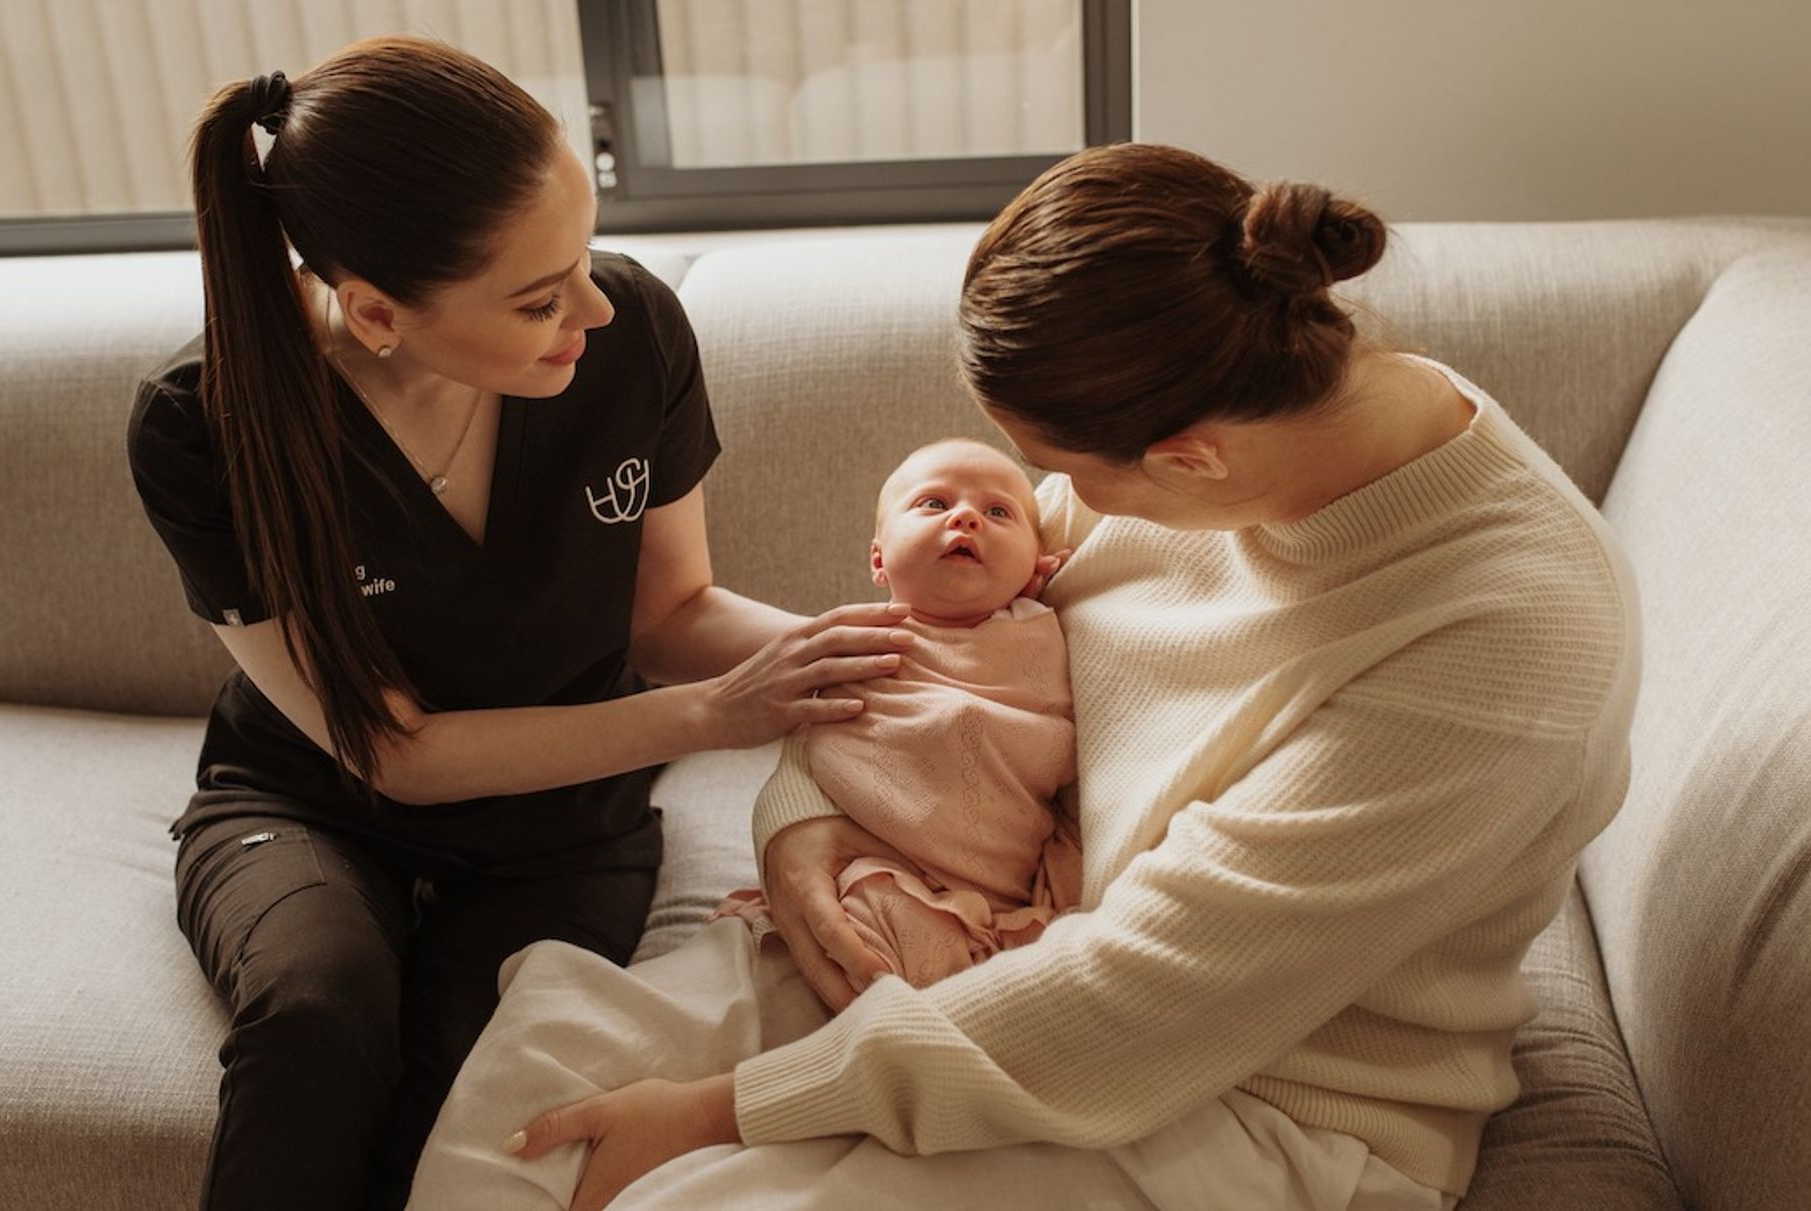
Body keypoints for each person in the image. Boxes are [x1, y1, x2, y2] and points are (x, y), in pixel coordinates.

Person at [407, 142, 1639, 1211]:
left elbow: (1144, 996)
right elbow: (931, 638)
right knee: (547, 1056)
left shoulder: (1499, 637)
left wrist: (731, 1107)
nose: (1049, 513)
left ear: (1188, 460)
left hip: (1249, 1098)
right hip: (991, 928)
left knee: (676, 1187)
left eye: (1056, 474)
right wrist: (804, 825)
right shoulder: (1234, 402)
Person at [125, 36, 920, 1211]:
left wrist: (893, 662)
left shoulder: (632, 331)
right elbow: (392, 751)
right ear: (378, 311)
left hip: (565, 826)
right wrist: (706, 717)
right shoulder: (206, 428)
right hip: (311, 803)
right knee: (318, 1021)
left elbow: (675, 610)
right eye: (540, 298)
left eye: (583, 259)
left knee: (471, 1077)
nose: (593, 308)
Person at [715, 439, 1080, 988]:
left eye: (997, 512)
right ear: (879, 559)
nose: (965, 517)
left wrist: (1039, 599)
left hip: (971, 897)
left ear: (1036, 565)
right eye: (934, 504)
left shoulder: (1045, 629)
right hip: (854, 870)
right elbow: (810, 743)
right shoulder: (849, 644)